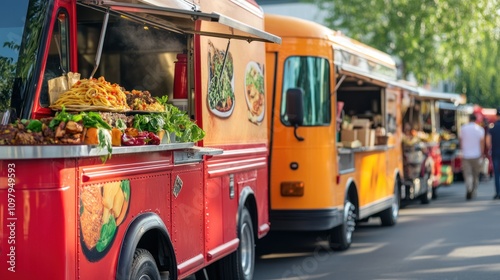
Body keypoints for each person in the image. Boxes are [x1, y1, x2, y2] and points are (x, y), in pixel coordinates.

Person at [459, 113, 485, 200]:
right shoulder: (480, 129)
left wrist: (462, 151)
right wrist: (482, 153)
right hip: (476, 155)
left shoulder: (463, 129)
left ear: (469, 119)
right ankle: (473, 189)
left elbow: (461, 141)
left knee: (467, 174)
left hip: (466, 155)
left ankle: (469, 187)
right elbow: (482, 143)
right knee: (475, 174)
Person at [486, 108, 500, 199]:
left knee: (497, 173)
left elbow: (488, 142)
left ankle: (498, 192)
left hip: (495, 152)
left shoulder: (493, 127)